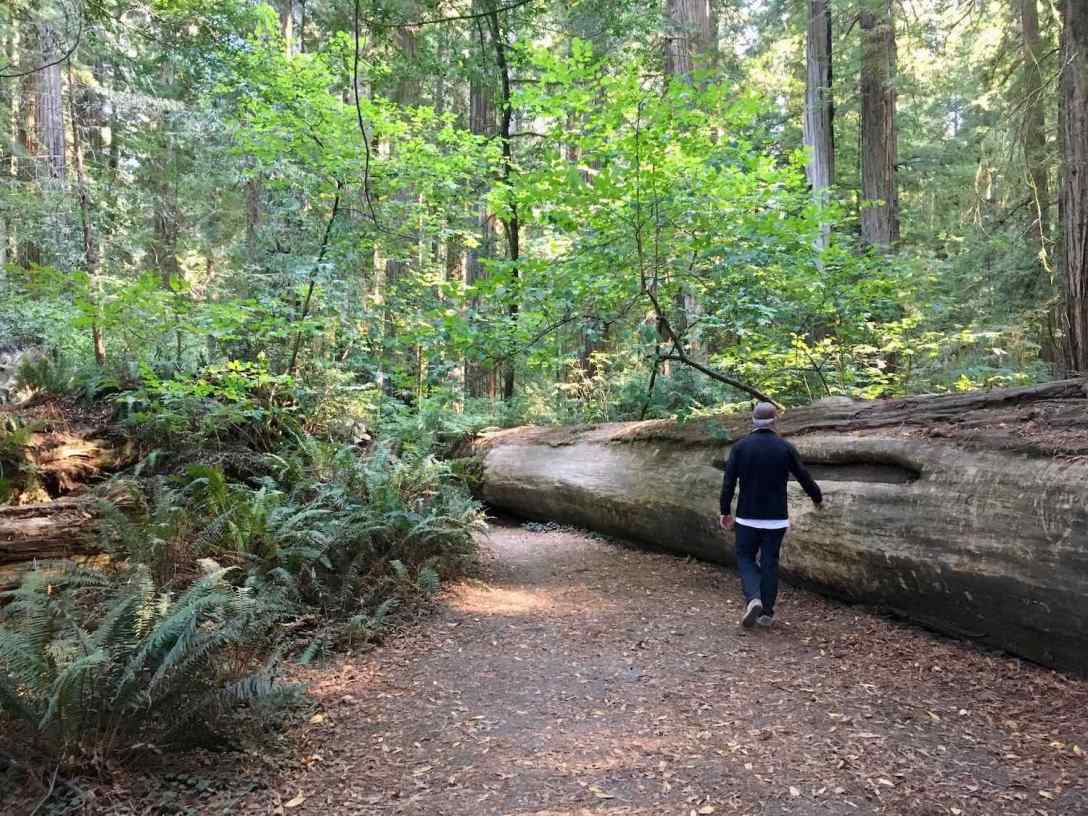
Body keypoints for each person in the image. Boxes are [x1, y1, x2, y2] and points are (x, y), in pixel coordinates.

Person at [719, 402, 823, 628]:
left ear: (753, 421)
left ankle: (753, 597)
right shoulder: (784, 447)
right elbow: (803, 476)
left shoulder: (740, 447)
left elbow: (728, 482)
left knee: (745, 557)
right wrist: (817, 497)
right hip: (776, 518)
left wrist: (725, 511)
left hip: (747, 516)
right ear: (775, 421)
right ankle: (766, 613)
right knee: (770, 562)